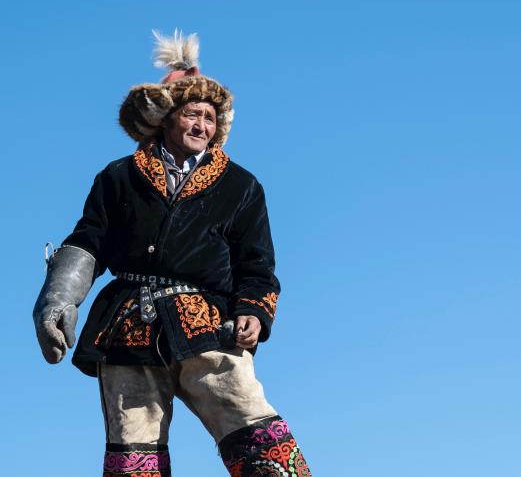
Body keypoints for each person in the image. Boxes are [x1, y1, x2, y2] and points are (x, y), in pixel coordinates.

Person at [32, 31, 311, 477]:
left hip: (210, 324)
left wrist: (254, 312)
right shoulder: (119, 177)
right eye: (192, 114)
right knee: (133, 453)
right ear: (166, 118)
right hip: (127, 328)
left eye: (209, 117)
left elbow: (257, 263)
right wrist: (58, 299)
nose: (202, 125)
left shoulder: (241, 185)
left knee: (255, 435)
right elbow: (88, 241)